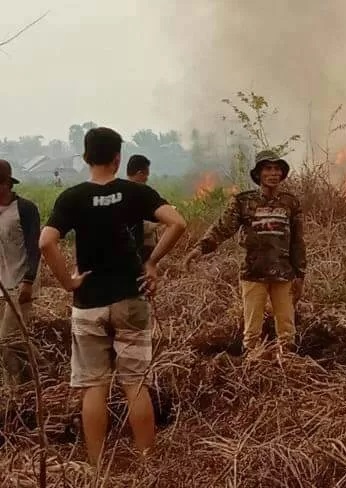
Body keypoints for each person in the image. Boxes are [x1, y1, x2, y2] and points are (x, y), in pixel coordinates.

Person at [39, 127, 187, 465]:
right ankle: (149, 464)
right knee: (135, 383)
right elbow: (177, 222)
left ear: (86, 157)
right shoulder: (135, 193)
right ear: (118, 158)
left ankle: (96, 468)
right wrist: (151, 263)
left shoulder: (72, 197)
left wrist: (69, 283)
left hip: (88, 304)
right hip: (131, 300)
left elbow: (46, 242)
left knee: (94, 386)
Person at [185, 150, 306, 356]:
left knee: (287, 332)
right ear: (258, 174)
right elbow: (222, 228)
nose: (273, 173)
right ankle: (252, 369)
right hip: (253, 273)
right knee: (252, 333)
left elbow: (298, 241)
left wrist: (300, 274)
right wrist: (200, 248)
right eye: (268, 168)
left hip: (284, 273)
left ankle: (287, 369)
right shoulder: (243, 202)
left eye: (277, 169)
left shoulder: (290, 203)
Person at [0, 159, 41, 388]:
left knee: (7, 340)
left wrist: (29, 280)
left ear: (7, 184)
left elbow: (35, 247)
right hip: (1, 283)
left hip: (21, 283)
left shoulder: (25, 209)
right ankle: (16, 388)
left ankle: (43, 371)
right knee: (10, 342)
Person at [126, 154, 160, 262]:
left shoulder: (121, 192)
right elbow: (142, 227)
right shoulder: (136, 195)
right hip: (140, 250)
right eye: (146, 175)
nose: (147, 179)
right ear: (139, 174)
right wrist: (161, 220)